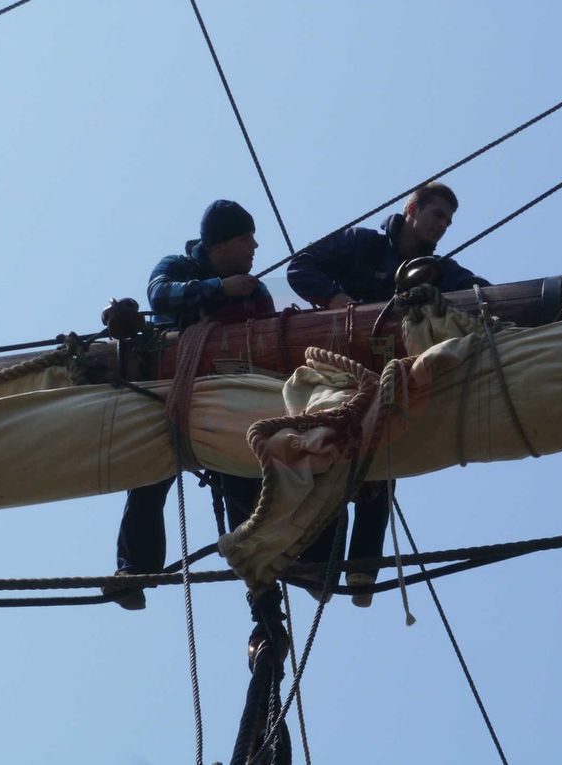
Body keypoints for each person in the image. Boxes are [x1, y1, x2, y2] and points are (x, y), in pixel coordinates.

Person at [287, 182, 489, 606]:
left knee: (382, 464)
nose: (443, 227)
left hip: (386, 373)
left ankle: (362, 571)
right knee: (332, 458)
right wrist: (338, 301)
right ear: (412, 209)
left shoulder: (437, 270)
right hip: (335, 368)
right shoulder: (361, 243)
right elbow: (300, 267)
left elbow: (482, 295)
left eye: (449, 222)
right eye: (438, 216)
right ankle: (319, 566)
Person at [107, 200, 275, 610]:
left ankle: (264, 596)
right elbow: (159, 294)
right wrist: (219, 290)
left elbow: (269, 340)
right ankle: (134, 572)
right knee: (148, 478)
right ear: (220, 244)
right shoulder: (179, 267)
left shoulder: (255, 288)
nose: (255, 245)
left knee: (243, 486)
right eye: (245, 238)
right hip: (171, 393)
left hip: (227, 397)